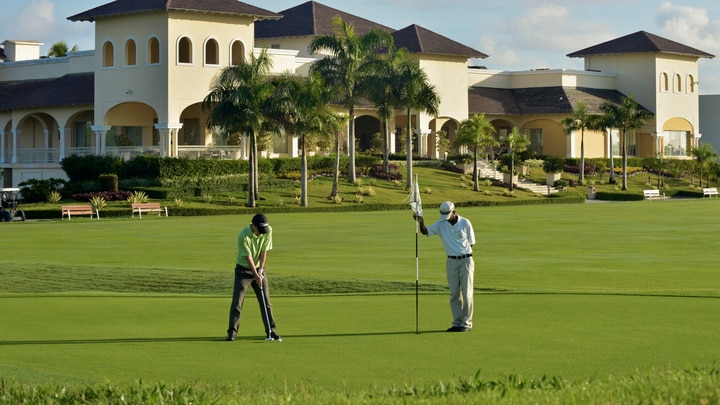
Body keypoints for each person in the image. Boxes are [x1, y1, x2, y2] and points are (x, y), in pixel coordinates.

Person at [414, 201, 476, 332]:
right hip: (451, 261)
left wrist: (461, 253)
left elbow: (471, 243)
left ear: (453, 211)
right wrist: (421, 221)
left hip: (466, 260)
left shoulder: (465, 222)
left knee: (467, 293)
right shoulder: (441, 224)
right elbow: (426, 232)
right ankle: (457, 323)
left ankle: (466, 323)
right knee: (454, 293)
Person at [226, 213, 281, 342]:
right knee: (237, 302)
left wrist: (260, 270)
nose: (262, 233)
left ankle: (271, 331)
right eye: (259, 230)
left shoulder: (267, 231)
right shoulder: (243, 235)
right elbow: (248, 257)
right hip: (243, 271)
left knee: (266, 302)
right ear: (253, 225)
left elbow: (264, 252)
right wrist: (255, 275)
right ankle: (232, 332)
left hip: (259, 269)